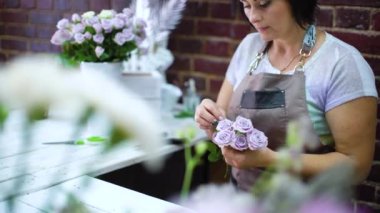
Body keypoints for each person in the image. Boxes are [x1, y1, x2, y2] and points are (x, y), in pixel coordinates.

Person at [194, 0, 378, 191]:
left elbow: (356, 167)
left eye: (263, 4)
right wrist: (211, 118)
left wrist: (272, 160)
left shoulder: (341, 64)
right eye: (246, 5)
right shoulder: (249, 46)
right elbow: (223, 119)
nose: (253, 17)